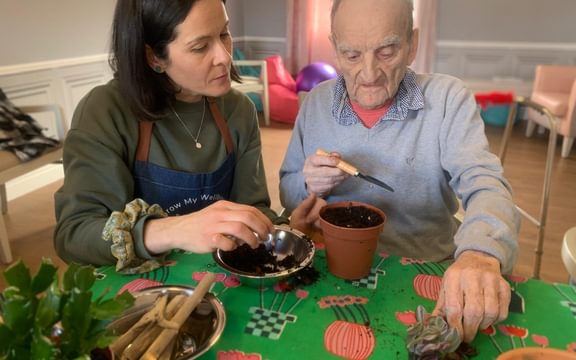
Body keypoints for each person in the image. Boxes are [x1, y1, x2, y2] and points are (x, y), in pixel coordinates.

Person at [279, 0, 521, 343]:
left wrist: (480, 254)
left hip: (427, 270)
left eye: (387, 51)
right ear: (334, 49)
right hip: (333, 271)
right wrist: (307, 184)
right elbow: (288, 191)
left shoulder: (448, 98)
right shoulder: (316, 102)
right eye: (351, 55)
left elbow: (486, 185)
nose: (369, 74)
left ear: (412, 45)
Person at [54, 0, 319, 274]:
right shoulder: (105, 111)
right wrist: (174, 230)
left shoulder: (239, 111)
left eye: (224, 34)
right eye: (200, 46)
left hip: (220, 286)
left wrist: (283, 229)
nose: (225, 57)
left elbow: (251, 209)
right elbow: (74, 234)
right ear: (154, 57)